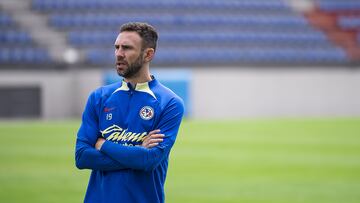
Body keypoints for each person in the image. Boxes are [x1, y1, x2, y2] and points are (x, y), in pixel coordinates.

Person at [75, 22, 184, 203]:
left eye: (126, 48)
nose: (119, 54)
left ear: (148, 54)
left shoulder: (170, 103)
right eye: (116, 47)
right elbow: (82, 157)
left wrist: (103, 145)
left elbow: (149, 161)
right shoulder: (99, 97)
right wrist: (137, 153)